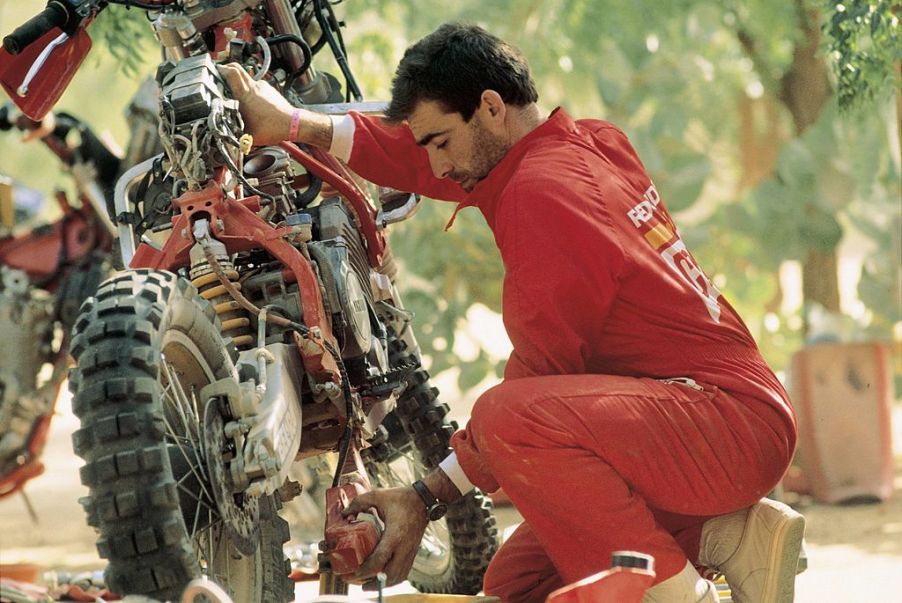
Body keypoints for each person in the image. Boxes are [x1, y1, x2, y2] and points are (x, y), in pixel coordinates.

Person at [219, 22, 805, 603]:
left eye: (442, 142)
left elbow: (538, 381)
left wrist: (425, 496)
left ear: (491, 107)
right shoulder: (583, 143)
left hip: (724, 424)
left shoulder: (543, 192)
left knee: (506, 419)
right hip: (704, 418)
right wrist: (293, 126)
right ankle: (727, 537)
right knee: (517, 585)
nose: (440, 169)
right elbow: (419, 159)